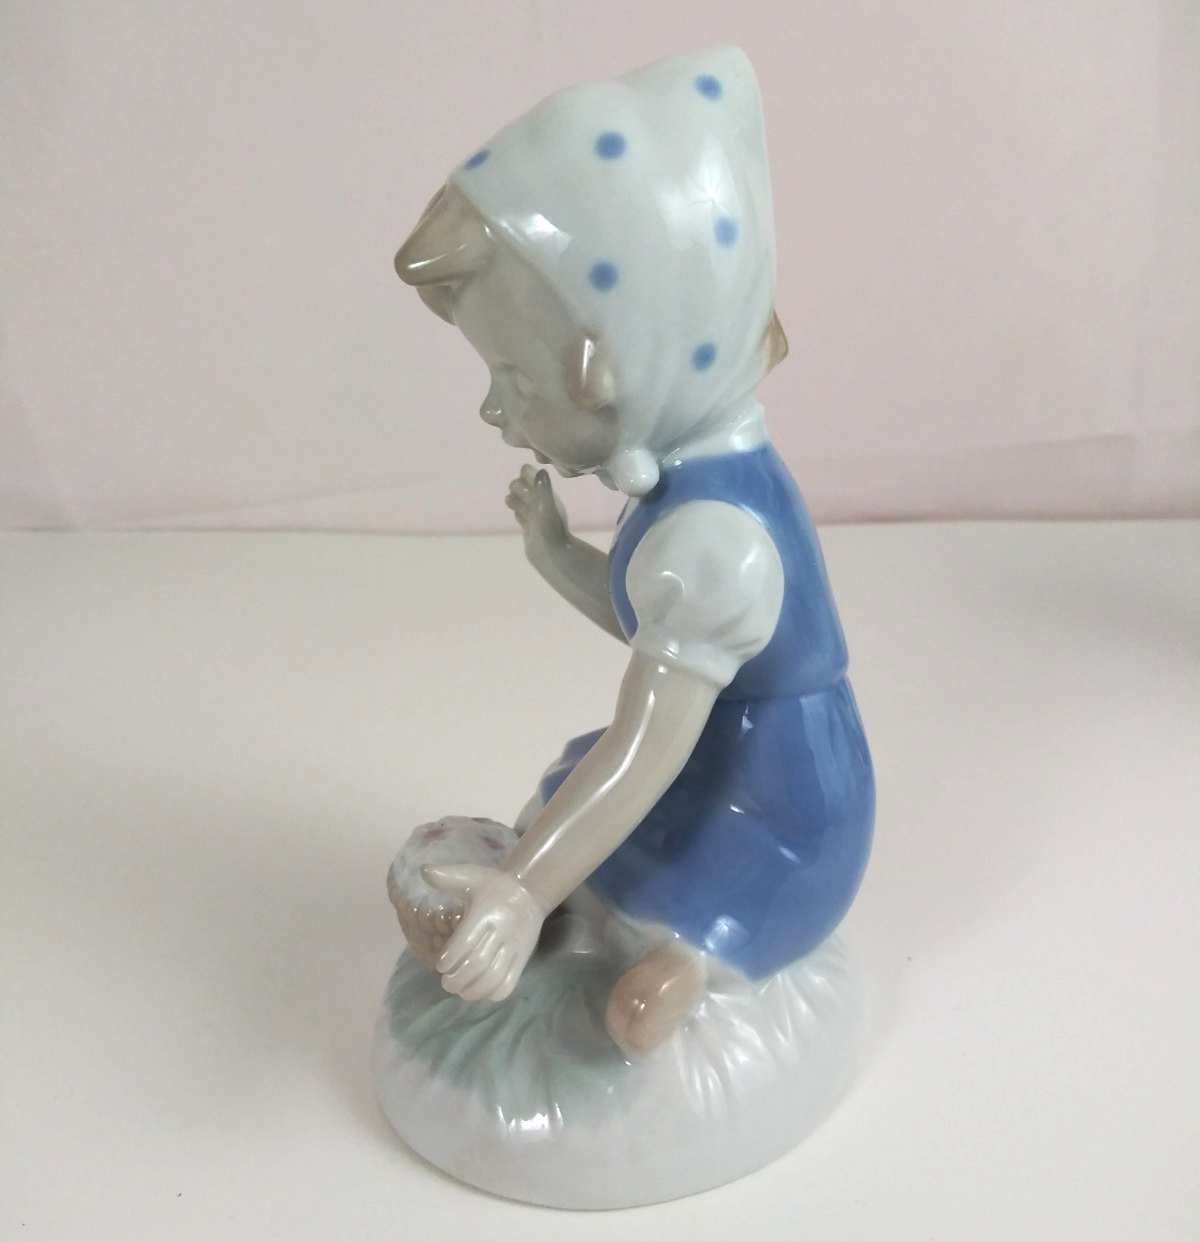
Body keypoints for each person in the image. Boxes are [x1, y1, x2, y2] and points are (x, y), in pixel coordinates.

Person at [393, 46, 873, 1055]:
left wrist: (525, 891)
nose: (493, 409)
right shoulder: (696, 488)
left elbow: (643, 751)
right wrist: (556, 554)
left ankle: (676, 974)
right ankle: (579, 920)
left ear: (609, 372)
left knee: (649, 877)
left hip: (783, 813)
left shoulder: (714, 544)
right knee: (562, 794)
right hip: (710, 758)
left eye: (516, 379)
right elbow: (645, 629)